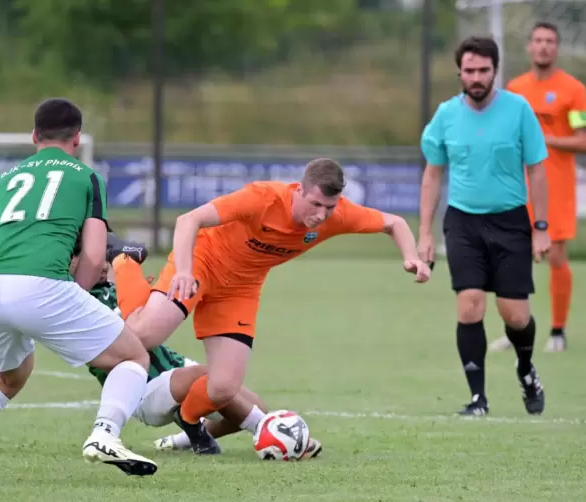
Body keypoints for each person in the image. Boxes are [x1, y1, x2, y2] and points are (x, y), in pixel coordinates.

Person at [106, 157, 431, 453]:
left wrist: (411, 258)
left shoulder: (337, 215)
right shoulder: (262, 197)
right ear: (298, 190)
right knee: (145, 335)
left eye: (329, 208)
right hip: (202, 264)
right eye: (315, 204)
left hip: (240, 290)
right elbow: (189, 220)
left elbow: (394, 223)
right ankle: (125, 260)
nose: (321, 215)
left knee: (223, 388)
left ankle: (190, 422)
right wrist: (184, 271)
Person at [0, 98, 157, 481]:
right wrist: (74, 297)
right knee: (133, 358)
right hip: (41, 285)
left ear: (34, 136)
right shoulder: (86, 177)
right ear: (77, 139)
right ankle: (105, 434)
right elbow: (95, 257)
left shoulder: (3, 180)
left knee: (10, 377)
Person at [418, 36, 549, 417]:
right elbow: (432, 174)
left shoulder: (519, 110)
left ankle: (526, 369)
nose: (476, 77)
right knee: (470, 306)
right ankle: (478, 399)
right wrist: (425, 233)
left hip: (510, 220)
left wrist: (540, 226)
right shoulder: (445, 115)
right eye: (470, 70)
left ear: (495, 71)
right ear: (460, 72)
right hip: (463, 222)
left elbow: (537, 170)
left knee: (516, 316)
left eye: (484, 70)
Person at [83, 261, 323, 458]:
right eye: (84, 255)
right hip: (142, 389)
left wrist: (138, 294)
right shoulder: (75, 305)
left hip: (174, 368)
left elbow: (145, 317)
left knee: (250, 404)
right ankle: (278, 435)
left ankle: (180, 439)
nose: (102, 264)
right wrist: (128, 274)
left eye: (105, 256)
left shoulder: (109, 290)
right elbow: (130, 335)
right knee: (214, 377)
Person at [490, 21, 586, 353]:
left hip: (557, 187)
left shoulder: (573, 90)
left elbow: (582, 139)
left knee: (556, 256)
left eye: (550, 41)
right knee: (511, 258)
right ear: (529, 47)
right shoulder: (515, 89)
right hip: (519, 188)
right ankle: (515, 328)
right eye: (538, 40)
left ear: (556, 48)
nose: (543, 46)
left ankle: (558, 331)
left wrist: (544, 139)